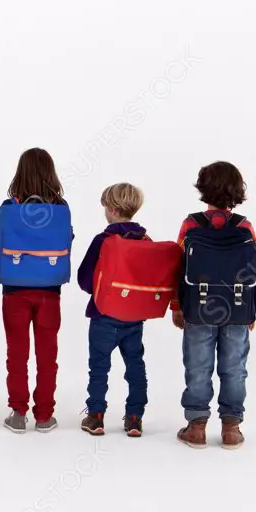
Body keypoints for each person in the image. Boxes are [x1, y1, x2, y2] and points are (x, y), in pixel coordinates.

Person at [173, 162, 256, 450]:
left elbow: (178, 267)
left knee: (198, 366)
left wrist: (177, 306)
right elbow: (255, 272)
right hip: (237, 307)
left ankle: (197, 427)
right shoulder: (244, 226)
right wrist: (252, 310)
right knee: (234, 368)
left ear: (202, 188)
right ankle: (231, 429)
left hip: (198, 307)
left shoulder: (191, 224)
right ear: (237, 190)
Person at [0, 147, 69, 433]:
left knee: (17, 353)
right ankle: (45, 415)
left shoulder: (9, 207)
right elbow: (67, 241)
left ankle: (18, 413)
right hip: (50, 290)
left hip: (14, 290)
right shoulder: (61, 208)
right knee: (48, 354)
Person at [76, 183, 149, 437]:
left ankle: (95, 417)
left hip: (103, 316)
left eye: (106, 207)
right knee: (135, 366)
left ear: (114, 210)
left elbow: (84, 279)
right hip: (134, 318)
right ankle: (134, 418)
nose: (104, 211)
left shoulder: (103, 240)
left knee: (99, 367)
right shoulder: (145, 240)